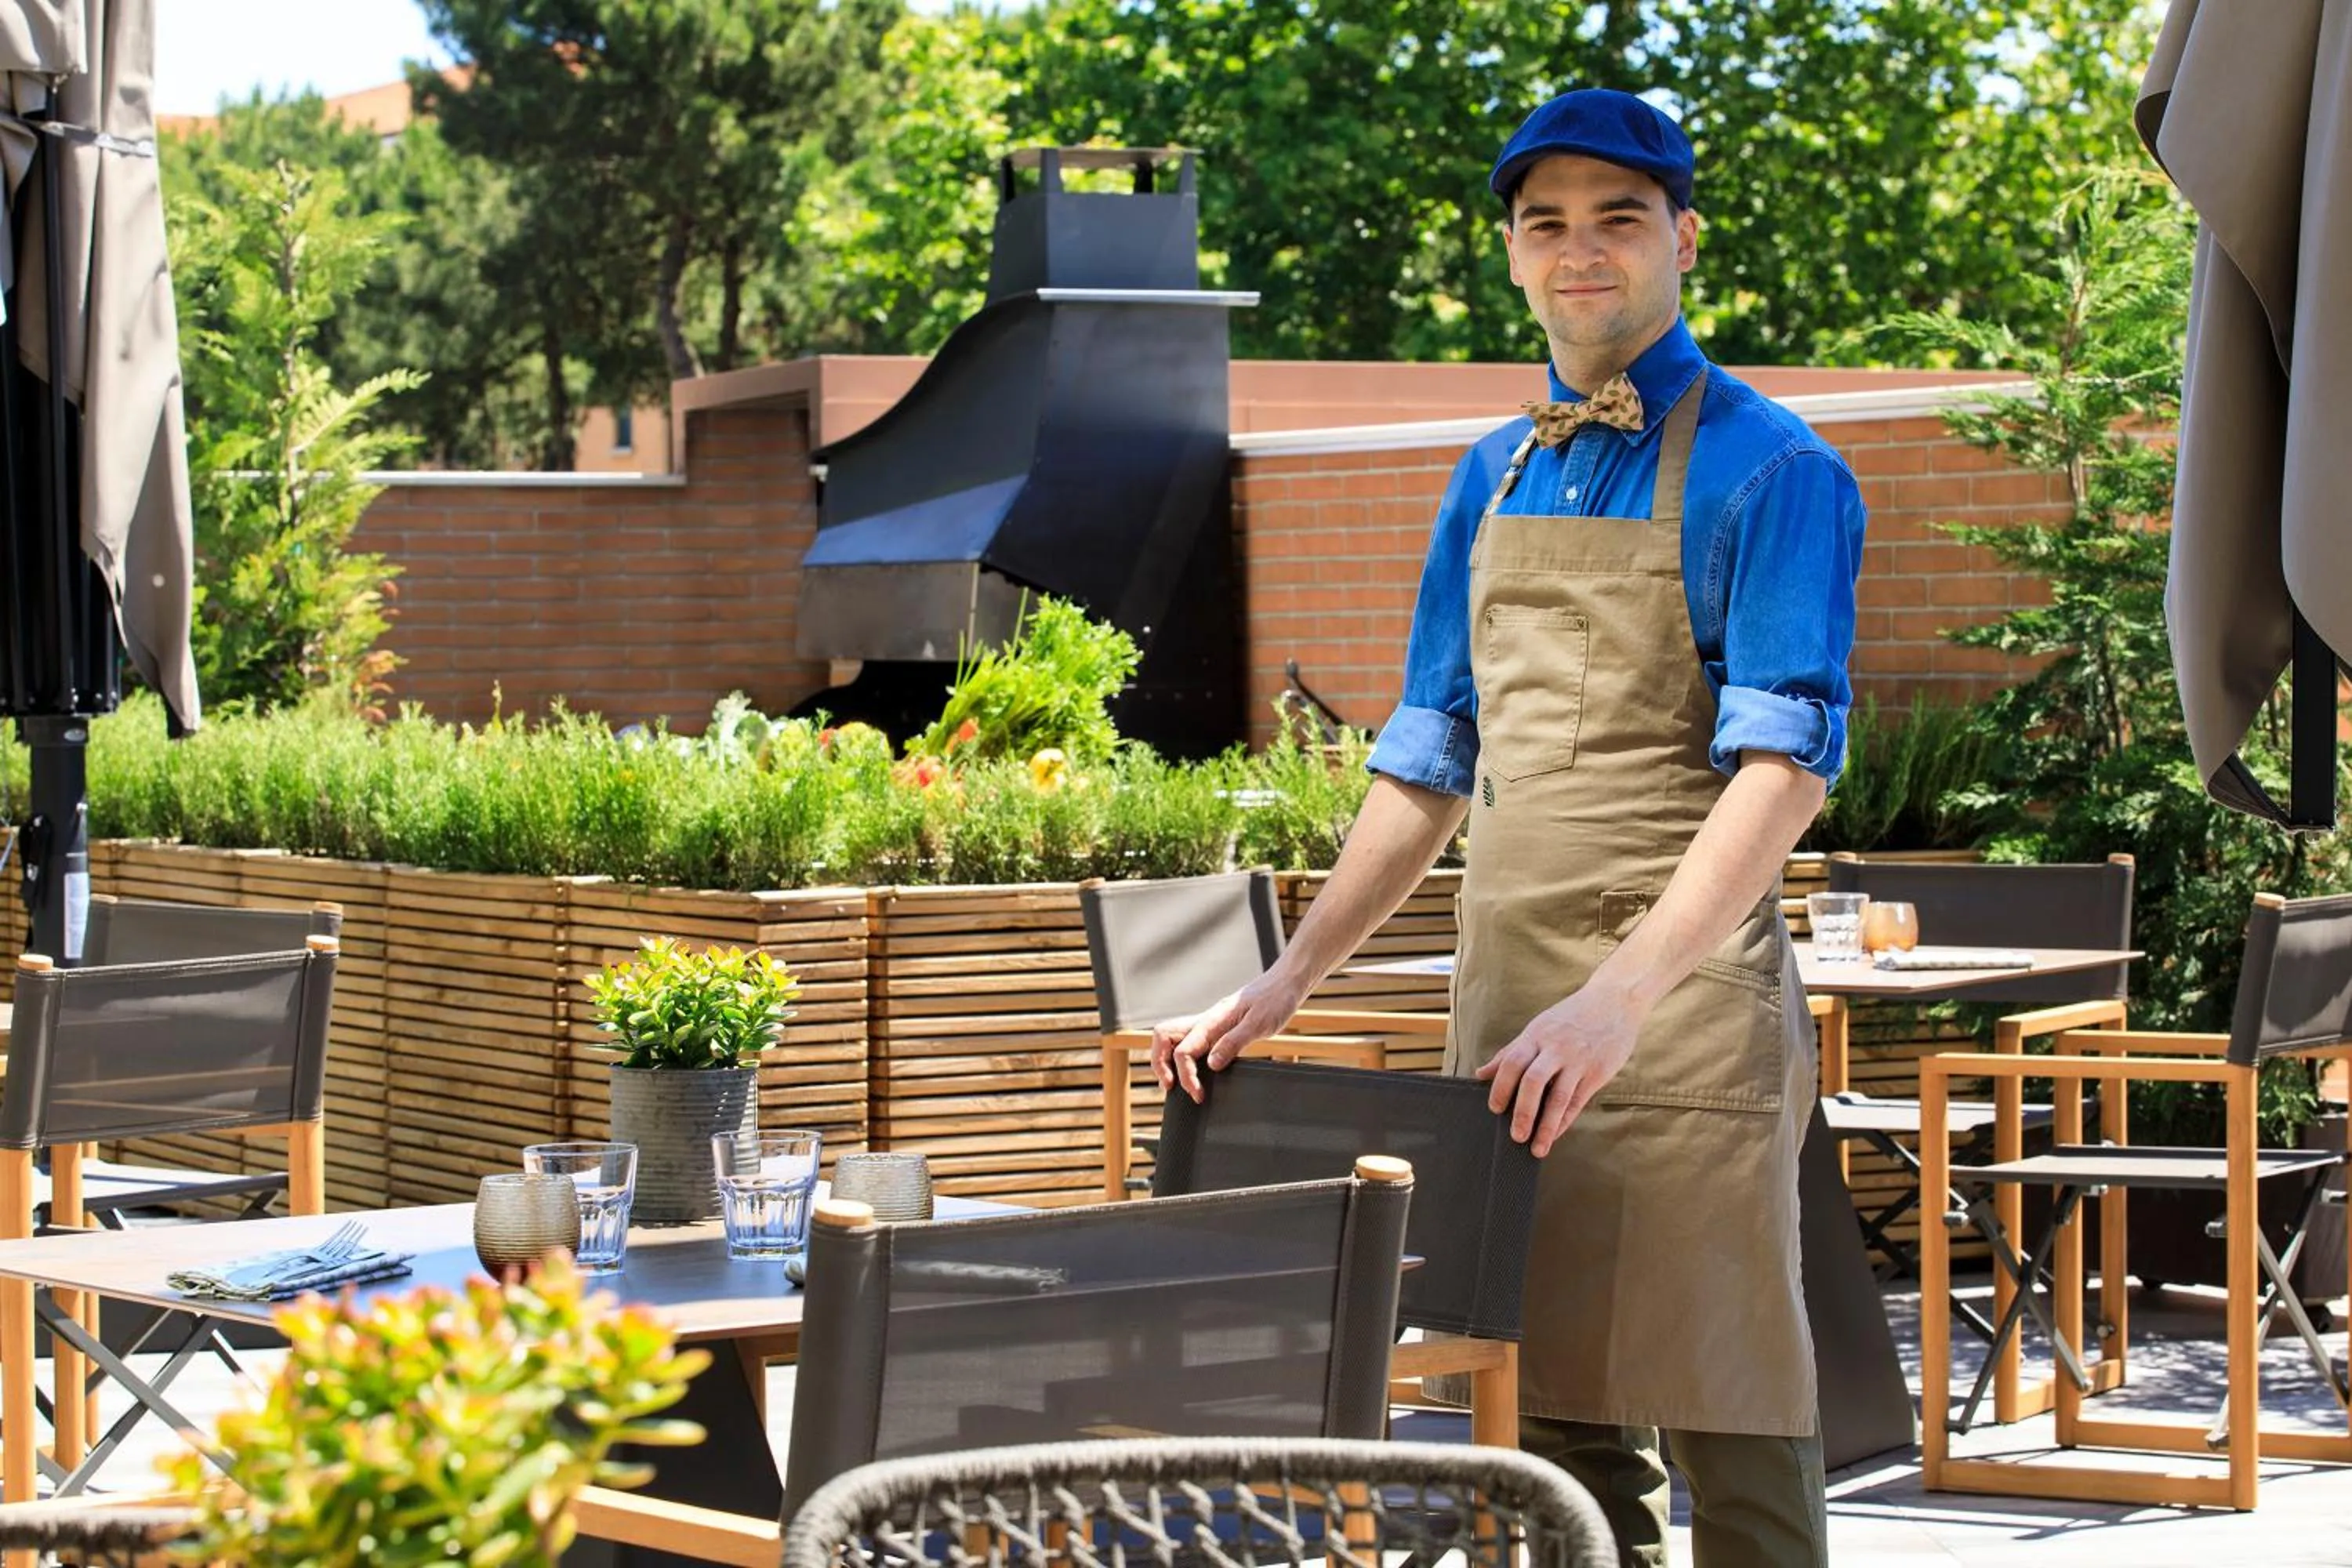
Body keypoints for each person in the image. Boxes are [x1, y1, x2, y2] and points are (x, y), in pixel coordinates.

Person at [1152, 88, 1865, 1567]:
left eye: (1617, 217)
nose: (1580, 250)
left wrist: (1621, 1001)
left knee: (1731, 1401)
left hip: (1677, 1001)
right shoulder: (1491, 474)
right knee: (1538, 1420)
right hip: (1510, 989)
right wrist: (1281, 983)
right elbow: (1428, 760)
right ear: (1515, 256)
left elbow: (1784, 771)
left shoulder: (1778, 469)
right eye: (1548, 223)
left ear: (1682, 236)